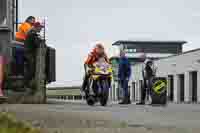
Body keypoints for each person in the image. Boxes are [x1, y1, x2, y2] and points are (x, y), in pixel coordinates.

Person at [24, 22, 44, 87]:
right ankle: (26, 84)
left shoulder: (31, 33)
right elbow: (37, 43)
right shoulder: (32, 33)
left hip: (28, 53)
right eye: (40, 28)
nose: (41, 29)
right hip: (29, 53)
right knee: (31, 69)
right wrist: (41, 41)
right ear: (36, 27)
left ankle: (27, 83)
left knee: (30, 69)